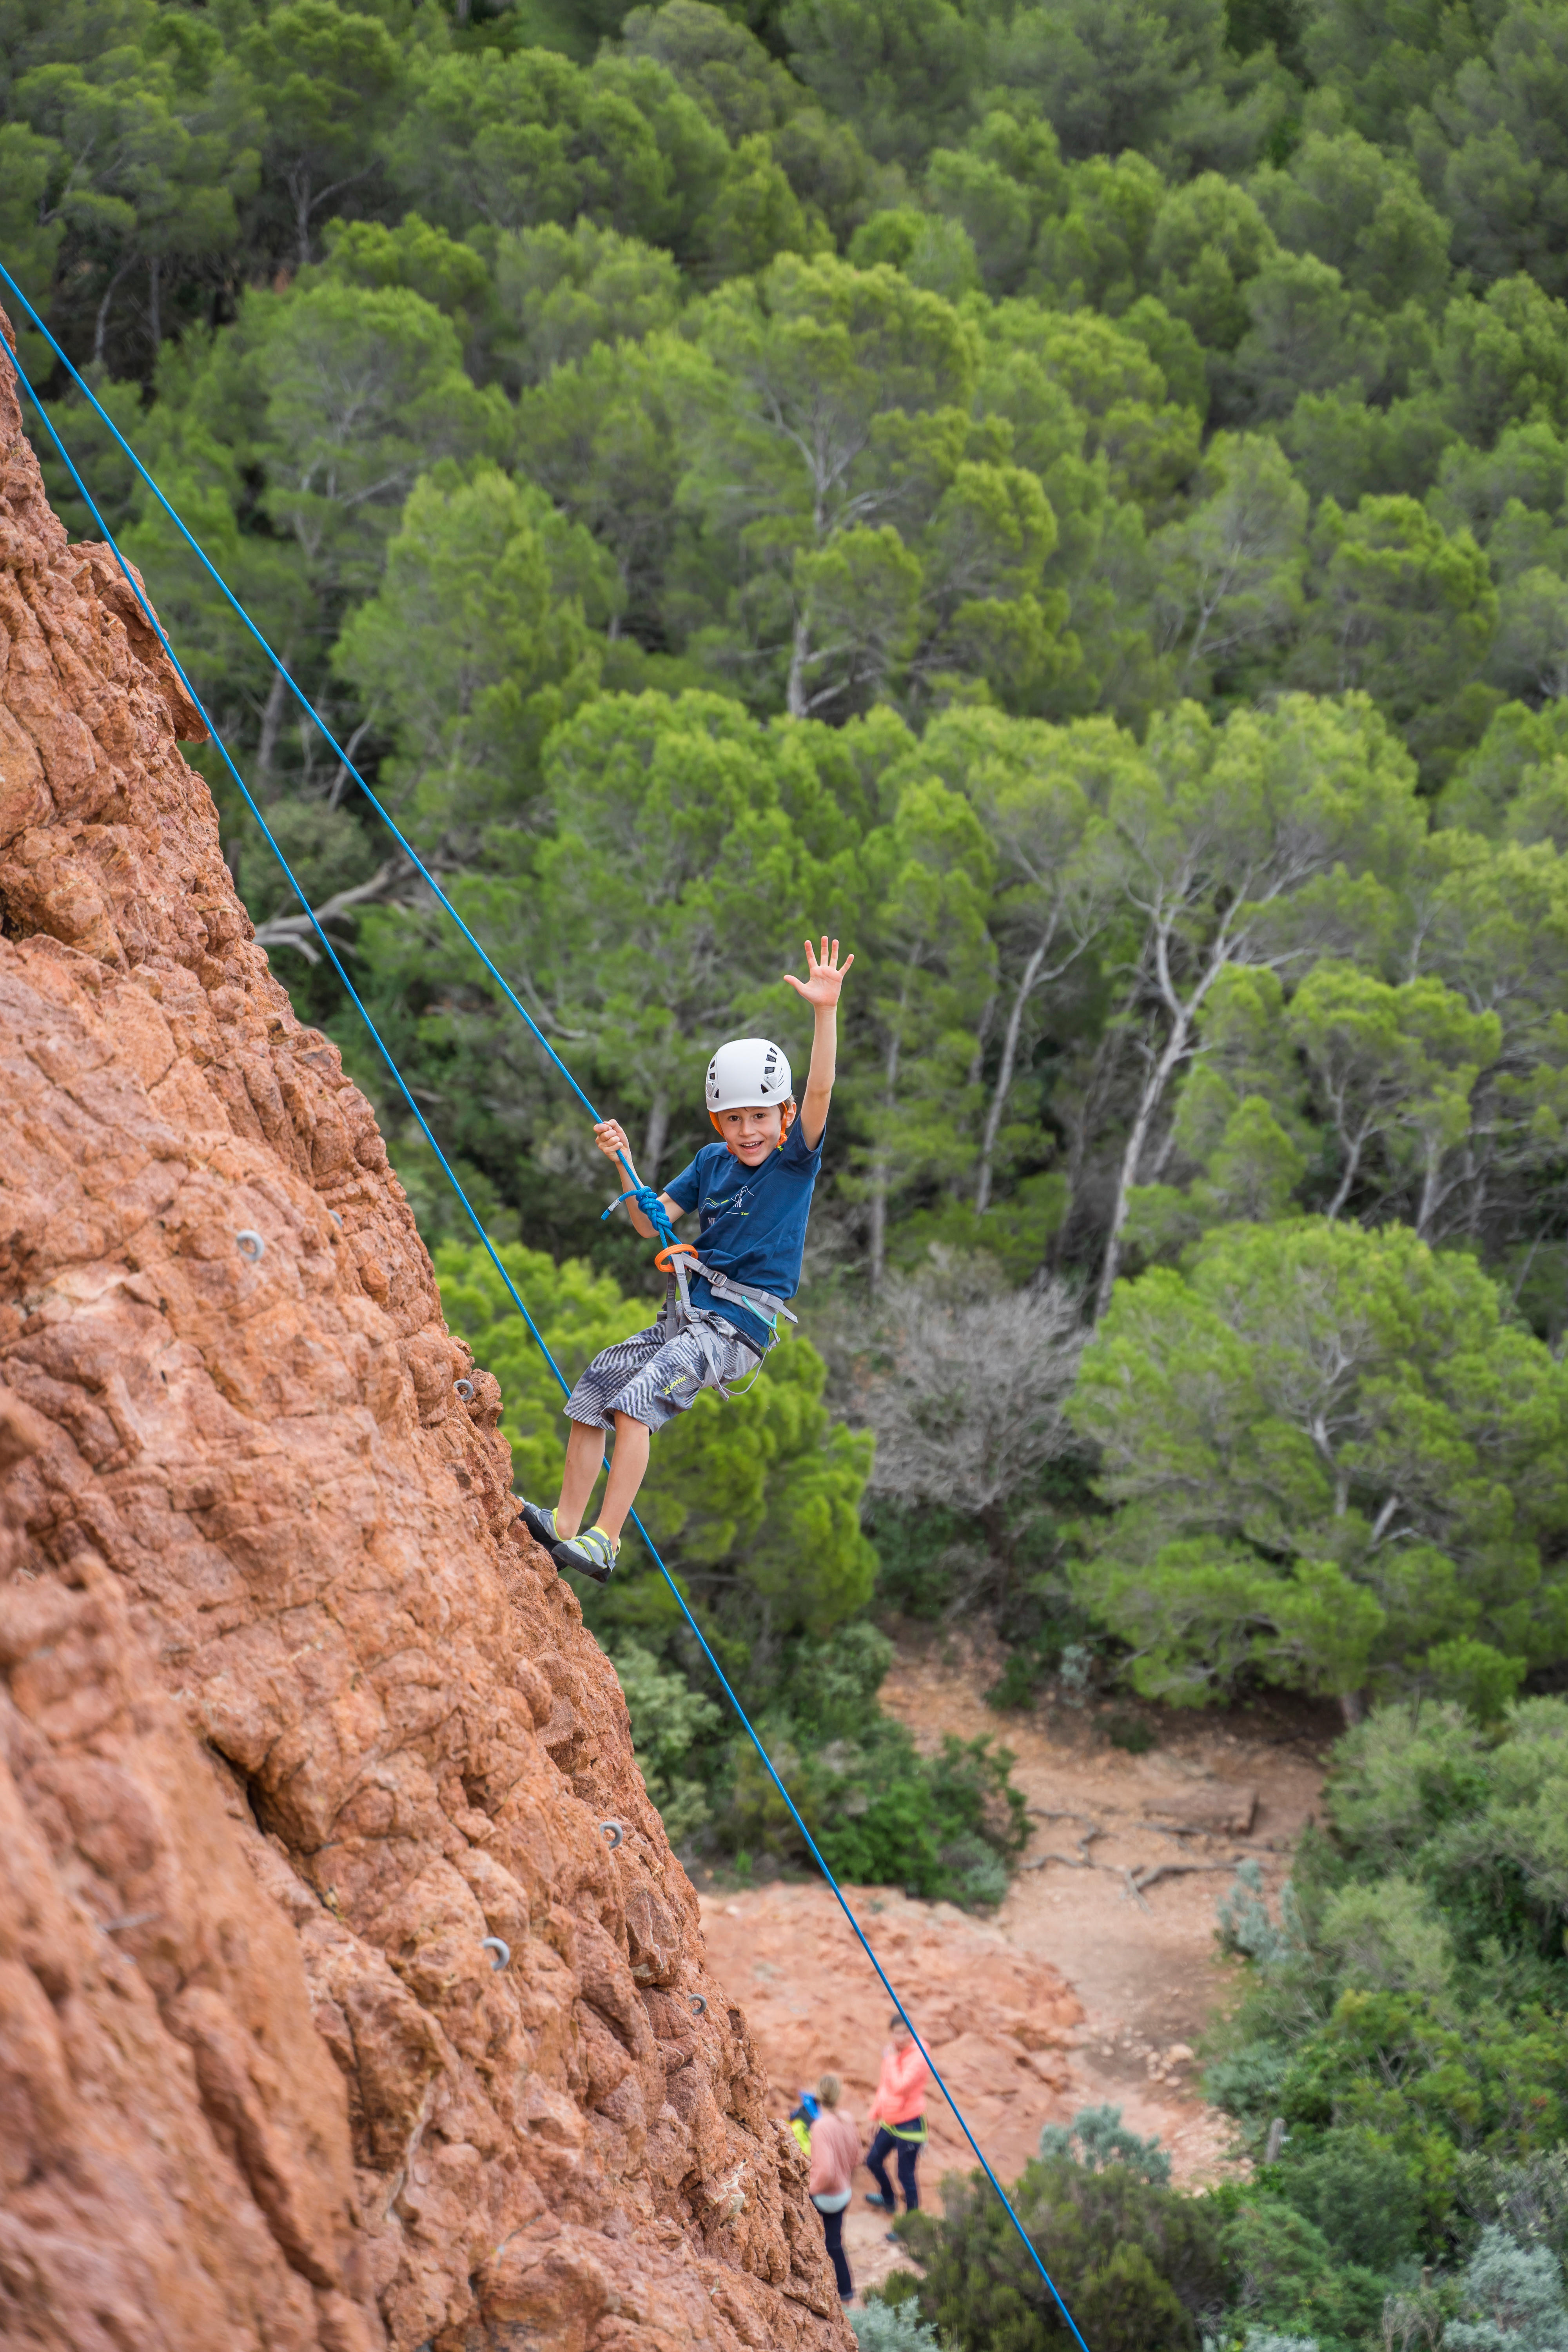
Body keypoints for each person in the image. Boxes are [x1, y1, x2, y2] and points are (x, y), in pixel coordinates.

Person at [517, 937, 853, 1583]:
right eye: (734, 1120)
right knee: (595, 1388)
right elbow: (650, 1223)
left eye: (760, 1116)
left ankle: (605, 1541)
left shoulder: (793, 1161)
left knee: (635, 1404)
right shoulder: (711, 1164)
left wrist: (824, 1011)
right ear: (716, 1122)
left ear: (783, 1117)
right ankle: (564, 1522)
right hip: (687, 1317)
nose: (747, 1131)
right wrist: (623, 1165)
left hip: (735, 1329)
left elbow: (821, 1089)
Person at [865, 2013, 930, 2237]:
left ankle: (910, 2228)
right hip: (890, 2121)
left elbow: (900, 2086)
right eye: (897, 2032)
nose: (901, 2037)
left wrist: (891, 2059)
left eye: (906, 2032)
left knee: (906, 2176)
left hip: (910, 2124)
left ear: (912, 2032)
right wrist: (875, 2115)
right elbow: (885, 2085)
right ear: (891, 2032)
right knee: (873, 2160)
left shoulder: (919, 2055)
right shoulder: (894, 2051)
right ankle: (888, 2199)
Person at [808, 2073, 861, 2304]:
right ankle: (847, 2292)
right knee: (836, 2243)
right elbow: (858, 2157)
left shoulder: (820, 2127)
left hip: (827, 2197)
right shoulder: (847, 2119)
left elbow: (827, 2171)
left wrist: (809, 2190)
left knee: (813, 2239)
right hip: (845, 2192)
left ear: (818, 2095)